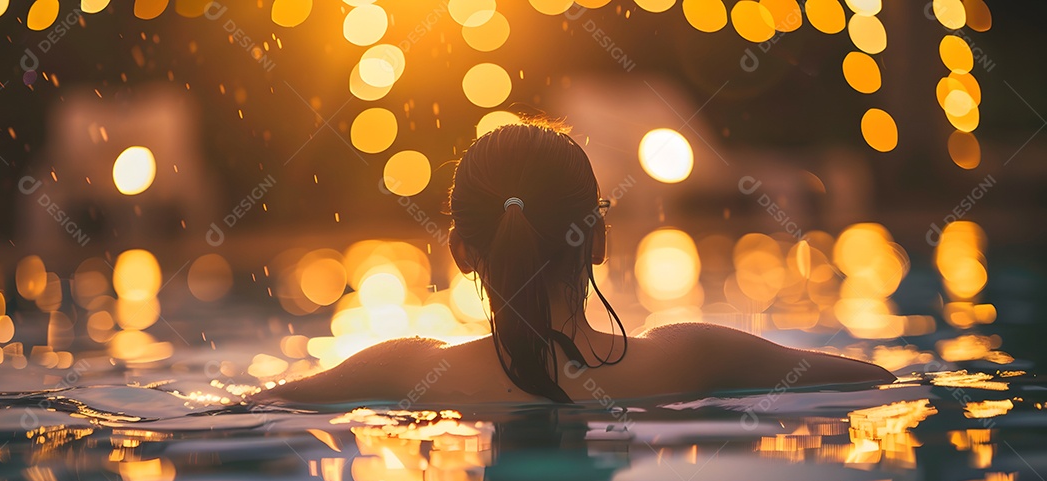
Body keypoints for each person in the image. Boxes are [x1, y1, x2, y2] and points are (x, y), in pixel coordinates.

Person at [267, 120, 893, 404]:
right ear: (598, 240)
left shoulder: (407, 372)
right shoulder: (692, 357)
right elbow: (876, 380)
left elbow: (245, 412)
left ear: (461, 253)